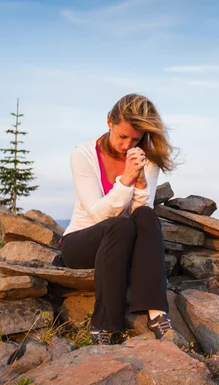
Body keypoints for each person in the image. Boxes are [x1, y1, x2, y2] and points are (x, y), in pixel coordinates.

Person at [60, 93, 176, 344]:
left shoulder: (146, 159)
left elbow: (139, 216)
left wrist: (142, 181)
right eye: (122, 136)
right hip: (81, 243)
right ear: (109, 122)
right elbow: (98, 214)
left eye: (135, 139)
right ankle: (103, 325)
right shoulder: (83, 155)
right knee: (119, 224)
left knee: (145, 214)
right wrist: (126, 179)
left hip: (122, 242)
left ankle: (156, 313)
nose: (127, 145)